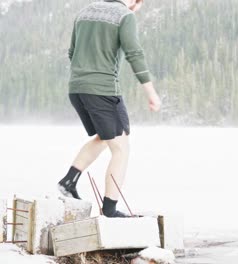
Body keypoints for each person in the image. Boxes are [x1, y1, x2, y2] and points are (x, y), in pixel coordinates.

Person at [57, 0, 161, 218]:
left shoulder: (85, 12)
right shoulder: (124, 15)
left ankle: (69, 180)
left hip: (77, 88)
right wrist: (151, 93)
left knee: (107, 137)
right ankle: (110, 209)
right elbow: (134, 53)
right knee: (121, 148)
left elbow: (72, 52)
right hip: (103, 90)